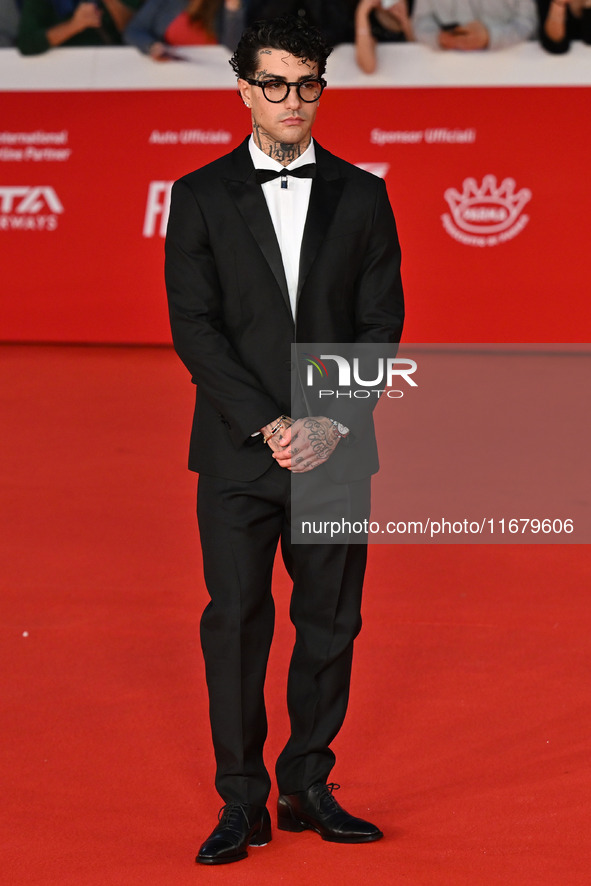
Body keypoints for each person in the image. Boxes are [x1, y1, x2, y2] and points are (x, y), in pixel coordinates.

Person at [165, 14, 404, 866]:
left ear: (321, 90)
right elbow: (194, 330)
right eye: (274, 83)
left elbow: (382, 325)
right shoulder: (197, 195)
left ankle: (307, 783)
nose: (290, 100)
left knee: (330, 624)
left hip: (336, 452)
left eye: (306, 84)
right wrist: (271, 424)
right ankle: (242, 802)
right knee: (235, 623)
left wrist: (329, 421)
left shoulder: (364, 194)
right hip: (238, 453)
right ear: (243, 89)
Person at [124, 0, 245, 59]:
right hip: (170, 81)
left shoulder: (227, 6)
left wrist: (233, 10)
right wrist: (152, 46)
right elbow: (134, 30)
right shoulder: (167, 3)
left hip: (216, 84)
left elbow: (235, 47)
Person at [17, 0, 139, 54]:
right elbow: (26, 43)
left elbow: (139, 31)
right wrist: (75, 25)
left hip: (114, 76)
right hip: (61, 79)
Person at [412, 0, 537, 49]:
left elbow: (528, 22)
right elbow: (421, 21)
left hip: (509, 73)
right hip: (446, 73)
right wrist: (438, 38)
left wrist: (490, 36)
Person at [355, 0, 415, 74]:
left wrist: (404, 21)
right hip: (384, 76)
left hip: (411, 71)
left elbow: (422, 52)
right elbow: (368, 66)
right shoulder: (370, 17)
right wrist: (362, 12)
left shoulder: (414, 7)